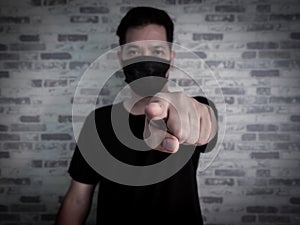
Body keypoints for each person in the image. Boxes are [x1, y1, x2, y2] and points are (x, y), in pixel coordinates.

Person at [55, 6, 218, 225]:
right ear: (121, 59)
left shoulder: (194, 106)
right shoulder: (98, 122)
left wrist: (196, 112)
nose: (146, 61)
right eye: (134, 52)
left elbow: (205, 125)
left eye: (157, 52)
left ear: (171, 58)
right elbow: (77, 198)